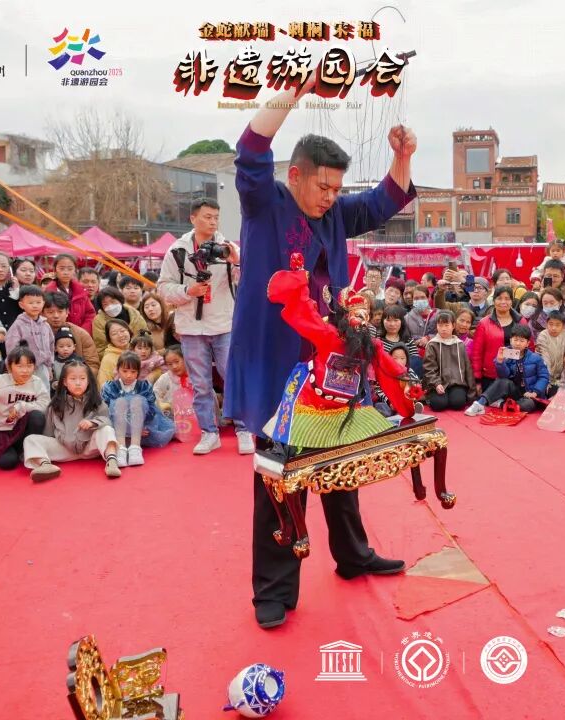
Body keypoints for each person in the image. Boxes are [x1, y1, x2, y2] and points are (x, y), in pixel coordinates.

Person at [225, 82, 419, 629]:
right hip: (276, 360)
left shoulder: (334, 215)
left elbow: (381, 201)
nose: (330, 197)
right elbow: (251, 149)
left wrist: (403, 156)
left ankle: (353, 554)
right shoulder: (265, 204)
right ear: (296, 176)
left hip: (329, 360)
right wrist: (296, 90)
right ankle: (273, 589)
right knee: (278, 474)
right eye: (323, 186)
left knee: (341, 457)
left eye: (336, 188)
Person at [158, 198, 251, 456]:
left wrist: (238, 261)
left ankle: (244, 429)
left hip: (224, 323)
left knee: (233, 377)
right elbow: (163, 287)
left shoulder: (228, 248)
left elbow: (247, 280)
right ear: (193, 218)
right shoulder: (177, 250)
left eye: (216, 217)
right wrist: (188, 291)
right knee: (200, 384)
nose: (212, 222)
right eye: (207, 217)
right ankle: (210, 432)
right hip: (191, 327)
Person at [23, 359, 122, 482]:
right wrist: (46, 445)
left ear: (88, 381)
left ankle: (112, 461)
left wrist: (92, 423)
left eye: (82, 379)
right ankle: (45, 465)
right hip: (64, 448)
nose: (78, 383)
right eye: (73, 379)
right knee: (31, 439)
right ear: (65, 382)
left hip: (89, 447)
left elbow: (107, 420)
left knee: (106, 430)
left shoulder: (96, 401)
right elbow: (48, 432)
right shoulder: (55, 405)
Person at [101, 351, 175, 467]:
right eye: (125, 371)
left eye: (133, 372)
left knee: (137, 400)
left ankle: (135, 447)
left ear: (138, 372)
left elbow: (151, 409)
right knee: (120, 402)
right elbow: (105, 411)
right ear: (118, 369)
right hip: (117, 428)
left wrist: (140, 427)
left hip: (140, 428)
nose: (129, 375)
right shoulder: (110, 387)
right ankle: (121, 448)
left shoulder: (144, 386)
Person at [465, 324, 548, 416]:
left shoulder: (535, 358)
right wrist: (500, 362)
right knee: (502, 381)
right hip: (513, 391)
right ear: (510, 340)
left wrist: (535, 392)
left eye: (522, 341)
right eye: (515, 340)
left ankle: (500, 404)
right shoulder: (506, 354)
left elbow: (544, 377)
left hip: (530, 394)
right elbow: (504, 376)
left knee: (528, 405)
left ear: (527, 343)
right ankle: (479, 404)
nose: (518, 343)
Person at [470, 285, 527, 395]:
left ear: (512, 301)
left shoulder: (521, 321)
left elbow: (529, 348)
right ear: (493, 300)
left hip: (516, 374)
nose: (503, 302)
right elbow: (477, 353)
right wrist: (477, 380)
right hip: (490, 375)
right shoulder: (484, 323)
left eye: (507, 298)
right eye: (499, 298)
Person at [422, 311, 474, 412]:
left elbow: (467, 369)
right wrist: (436, 384)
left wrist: (472, 393)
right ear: (436, 326)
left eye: (447, 325)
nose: (443, 329)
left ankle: (452, 396)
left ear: (453, 325)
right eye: (440, 325)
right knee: (439, 404)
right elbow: (429, 368)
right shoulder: (432, 345)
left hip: (456, 383)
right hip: (438, 384)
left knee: (458, 403)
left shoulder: (460, 344)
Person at [5, 285, 54, 388]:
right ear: (21, 305)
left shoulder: (45, 325)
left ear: (43, 303)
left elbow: (50, 346)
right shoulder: (18, 325)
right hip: (24, 368)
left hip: (42, 367)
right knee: (25, 391)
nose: (35, 306)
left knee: (43, 391)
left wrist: (49, 366)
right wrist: (12, 367)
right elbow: (11, 347)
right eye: (31, 303)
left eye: (38, 302)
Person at [43, 291, 99, 376]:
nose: (56, 316)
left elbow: (92, 364)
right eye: (50, 312)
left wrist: (78, 378)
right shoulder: (35, 334)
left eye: (60, 311)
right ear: (42, 313)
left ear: (67, 312)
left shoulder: (81, 334)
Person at [43, 254, 96, 333]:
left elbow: (90, 313)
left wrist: (82, 331)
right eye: (62, 268)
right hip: (56, 334)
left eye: (70, 269)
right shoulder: (48, 292)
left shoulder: (80, 291)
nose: (66, 272)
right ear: (55, 270)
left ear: (75, 270)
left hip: (80, 333)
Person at [92, 287, 148, 358]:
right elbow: (101, 347)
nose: (110, 306)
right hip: (116, 358)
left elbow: (146, 336)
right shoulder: (99, 321)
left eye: (112, 302)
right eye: (105, 304)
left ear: (120, 300)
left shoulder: (134, 314)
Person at [376, 304, 421, 377]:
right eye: (388, 320)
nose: (392, 324)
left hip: (405, 378)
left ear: (402, 321)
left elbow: (415, 363)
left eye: (396, 320)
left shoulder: (408, 341)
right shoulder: (377, 340)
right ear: (383, 321)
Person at [535, 309, 565, 395]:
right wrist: (547, 379)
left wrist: (563, 379)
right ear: (546, 324)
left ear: (563, 326)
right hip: (545, 374)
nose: (553, 328)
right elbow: (545, 357)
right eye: (551, 324)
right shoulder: (543, 335)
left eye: (557, 325)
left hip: (562, 375)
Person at [97, 319, 133, 388]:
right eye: (114, 334)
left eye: (122, 331)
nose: (120, 335)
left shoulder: (139, 349)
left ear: (129, 331)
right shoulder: (108, 359)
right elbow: (104, 387)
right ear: (109, 339)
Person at [154, 344, 189, 415]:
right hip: (170, 416)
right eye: (170, 364)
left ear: (185, 359)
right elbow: (155, 394)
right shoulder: (165, 378)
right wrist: (162, 405)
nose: (174, 366)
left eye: (177, 361)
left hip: (192, 415)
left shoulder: (195, 377)